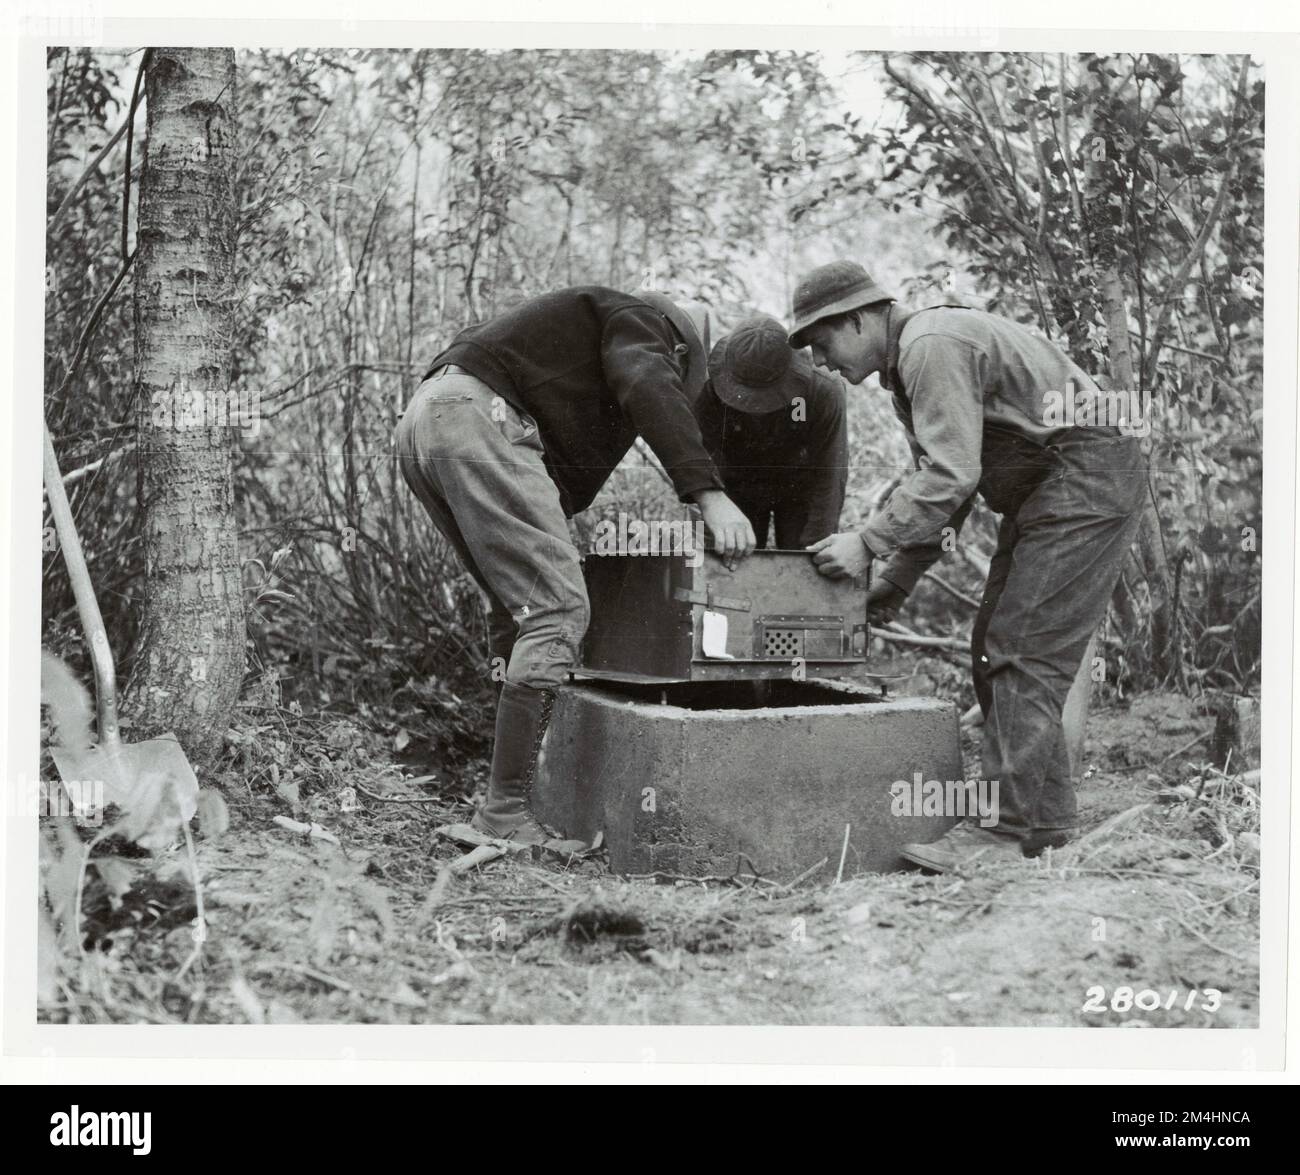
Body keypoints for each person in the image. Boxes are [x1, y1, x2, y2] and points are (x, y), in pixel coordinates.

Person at [789, 261, 1146, 872]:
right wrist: (896, 583)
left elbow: (950, 475)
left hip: (1087, 472)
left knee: (1023, 646)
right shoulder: (908, 371)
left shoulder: (931, 345)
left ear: (859, 318)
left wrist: (868, 543)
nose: (821, 363)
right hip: (1053, 485)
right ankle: (1042, 824)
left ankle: (1000, 838)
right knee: (993, 645)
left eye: (823, 344)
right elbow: (947, 489)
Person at [395, 287, 756, 847]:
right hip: (474, 419)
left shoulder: (585, 345)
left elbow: (546, 477)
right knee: (557, 610)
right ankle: (505, 813)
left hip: (426, 419)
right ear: (681, 351)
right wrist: (707, 493)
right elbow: (646, 381)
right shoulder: (643, 323)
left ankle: (509, 798)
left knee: (520, 612)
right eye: (680, 380)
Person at [694, 312, 848, 548]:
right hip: (737, 483)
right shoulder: (708, 389)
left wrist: (814, 554)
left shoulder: (823, 389)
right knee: (730, 561)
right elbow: (703, 464)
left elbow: (830, 473)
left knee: (806, 559)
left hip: (800, 486)